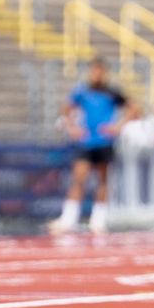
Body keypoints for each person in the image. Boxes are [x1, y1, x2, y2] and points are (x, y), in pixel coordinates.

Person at [51, 59, 125, 234]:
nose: (97, 75)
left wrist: (118, 126)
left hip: (104, 141)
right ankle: (69, 219)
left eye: (100, 71)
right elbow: (66, 108)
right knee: (78, 178)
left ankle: (98, 220)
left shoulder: (112, 93)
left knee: (102, 180)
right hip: (86, 141)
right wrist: (72, 127)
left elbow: (134, 108)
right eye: (94, 71)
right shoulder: (82, 91)